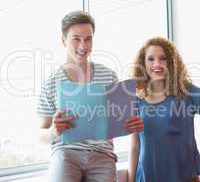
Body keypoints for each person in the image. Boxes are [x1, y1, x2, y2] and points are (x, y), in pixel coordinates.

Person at [37, 11, 144, 182]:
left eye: (88, 39)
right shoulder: (51, 82)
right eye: (76, 39)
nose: (83, 46)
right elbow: (41, 134)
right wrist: (53, 131)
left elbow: (118, 120)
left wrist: (131, 124)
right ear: (63, 40)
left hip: (102, 154)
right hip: (66, 153)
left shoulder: (109, 76)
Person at [128, 36, 200, 182]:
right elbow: (135, 146)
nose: (157, 64)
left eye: (163, 58)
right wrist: (130, 179)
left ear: (171, 62)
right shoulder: (136, 102)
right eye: (151, 59)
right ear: (143, 64)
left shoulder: (187, 92)